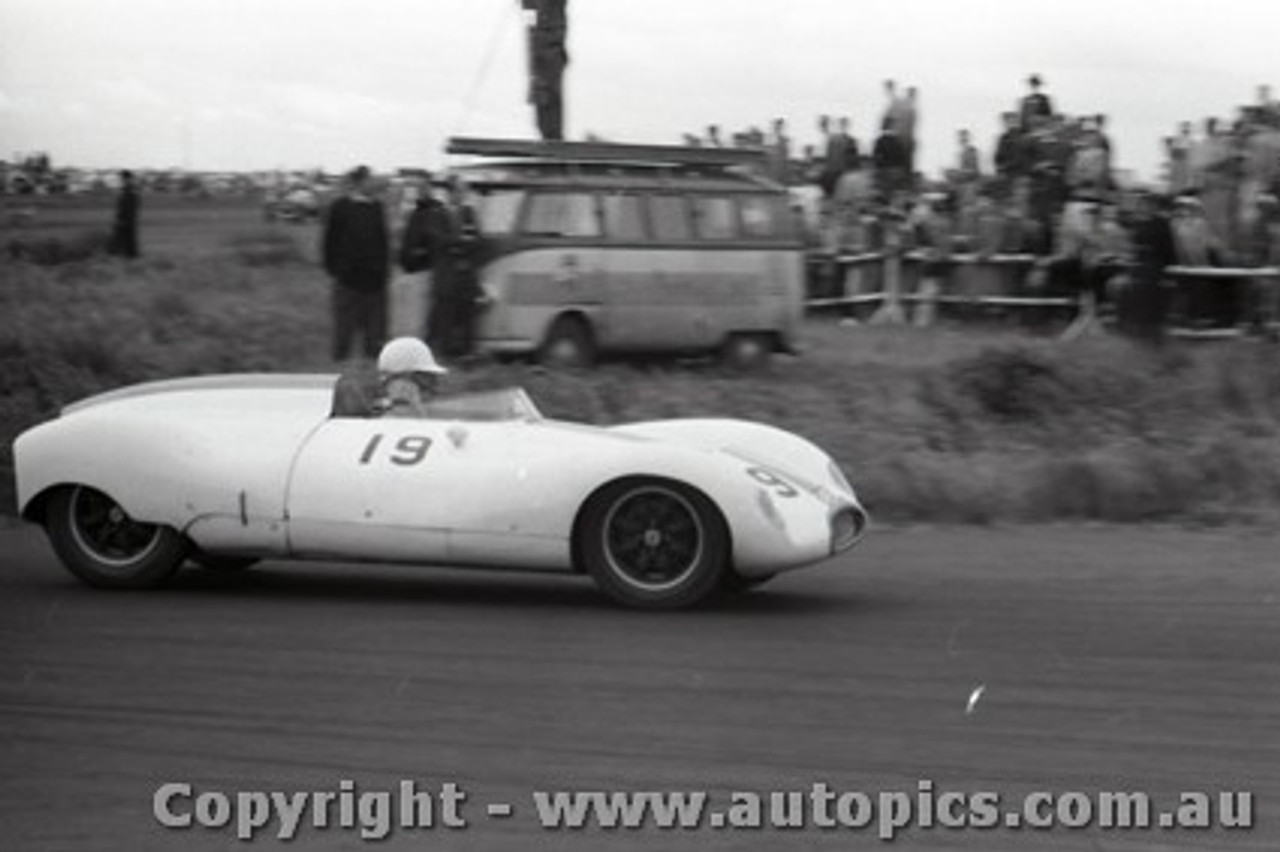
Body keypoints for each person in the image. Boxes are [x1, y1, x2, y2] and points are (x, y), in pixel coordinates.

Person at [322, 165, 391, 362]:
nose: (374, 183)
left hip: (375, 283)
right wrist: (336, 270)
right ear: (359, 182)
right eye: (370, 179)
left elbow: (383, 241)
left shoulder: (377, 208)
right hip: (347, 281)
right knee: (344, 329)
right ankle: (339, 364)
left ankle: (372, 366)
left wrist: (383, 272)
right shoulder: (340, 207)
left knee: (375, 331)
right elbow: (330, 241)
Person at [523, 0, 569, 140]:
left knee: (546, 87)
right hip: (544, 43)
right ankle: (551, 139)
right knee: (543, 87)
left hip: (547, 46)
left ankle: (553, 140)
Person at [375, 337, 448, 418]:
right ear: (407, 375)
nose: (433, 381)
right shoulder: (403, 414)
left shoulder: (391, 411)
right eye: (425, 374)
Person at [109, 170, 141, 258]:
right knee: (122, 240)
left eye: (122, 179)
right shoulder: (125, 189)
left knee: (128, 240)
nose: (121, 181)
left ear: (128, 179)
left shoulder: (131, 190)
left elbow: (131, 206)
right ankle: (127, 256)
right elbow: (121, 205)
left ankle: (131, 257)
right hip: (123, 219)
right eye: (121, 179)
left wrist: (124, 220)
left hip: (127, 220)